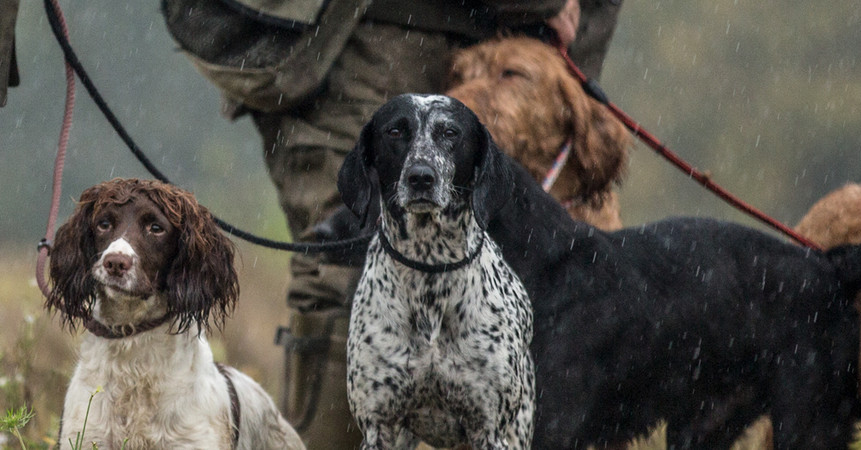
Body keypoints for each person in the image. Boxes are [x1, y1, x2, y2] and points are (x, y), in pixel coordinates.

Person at [162, 0, 624, 447]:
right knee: (349, 272)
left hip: (499, 28)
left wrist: (565, 59)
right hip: (362, 31)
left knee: (508, 297)